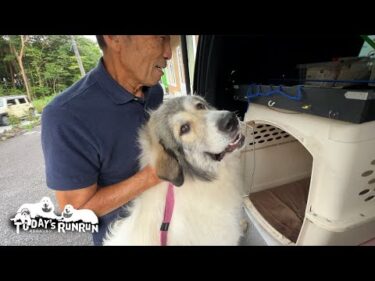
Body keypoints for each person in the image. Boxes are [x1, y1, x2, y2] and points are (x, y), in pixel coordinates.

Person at [41, 35, 172, 245]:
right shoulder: (66, 115)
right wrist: (152, 176)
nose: (168, 53)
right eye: (159, 38)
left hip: (173, 227)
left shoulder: (154, 91)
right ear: (115, 38)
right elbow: (75, 211)